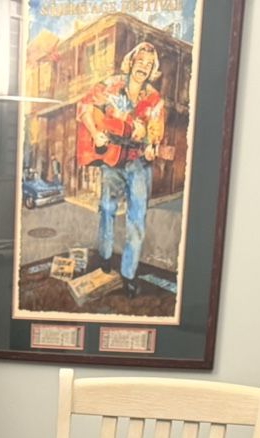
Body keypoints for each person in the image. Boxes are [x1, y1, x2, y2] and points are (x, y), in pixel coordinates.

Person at [75, 40, 166, 297]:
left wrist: (152, 146)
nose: (144, 68)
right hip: (112, 161)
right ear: (131, 62)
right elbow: (84, 107)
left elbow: (156, 132)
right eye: (141, 62)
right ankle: (104, 260)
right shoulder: (112, 85)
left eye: (149, 65)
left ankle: (128, 274)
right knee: (106, 210)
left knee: (137, 220)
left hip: (138, 163)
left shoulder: (155, 99)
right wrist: (96, 133)